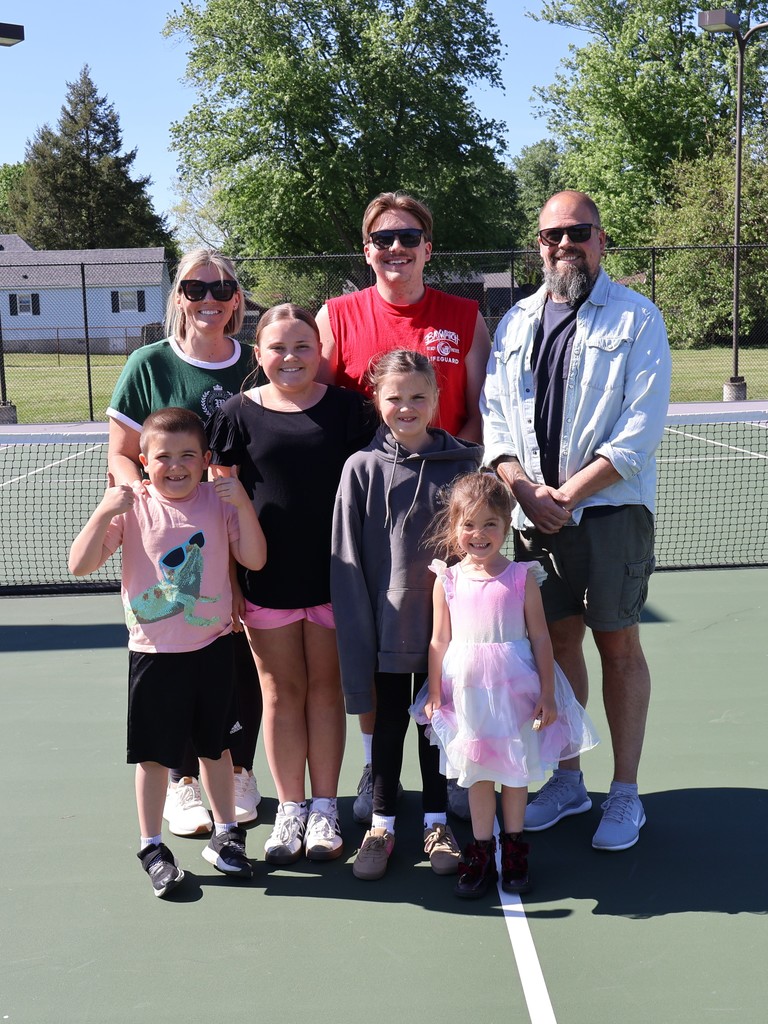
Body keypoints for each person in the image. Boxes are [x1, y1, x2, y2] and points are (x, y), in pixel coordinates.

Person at [481, 190, 672, 852]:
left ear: (601, 239)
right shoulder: (515, 322)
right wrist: (523, 490)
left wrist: (562, 495)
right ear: (539, 244)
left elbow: (639, 431)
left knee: (618, 647)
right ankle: (568, 780)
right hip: (533, 519)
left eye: (578, 232)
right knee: (556, 647)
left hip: (611, 514)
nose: (564, 244)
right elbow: (496, 420)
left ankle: (625, 792)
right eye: (551, 235)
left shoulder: (639, 318)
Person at [317, 190, 491, 823]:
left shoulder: (465, 316)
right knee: (380, 644)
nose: (396, 248)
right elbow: (318, 406)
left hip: (448, 508)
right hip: (375, 512)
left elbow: (480, 411)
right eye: (383, 238)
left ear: (427, 248)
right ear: (367, 250)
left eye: (408, 237)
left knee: (451, 642)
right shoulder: (337, 315)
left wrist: (453, 481)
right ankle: (376, 764)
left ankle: (457, 766)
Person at [68, 408, 267, 897]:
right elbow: (79, 565)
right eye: (163, 457)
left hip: (214, 648)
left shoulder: (219, 503)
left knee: (216, 749)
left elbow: (255, 558)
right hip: (153, 655)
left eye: (187, 456)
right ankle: (152, 848)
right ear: (144, 461)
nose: (175, 466)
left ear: (204, 459)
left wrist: (243, 503)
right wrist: (104, 511)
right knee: (155, 758)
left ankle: (226, 836)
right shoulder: (133, 506)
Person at [207, 304, 375, 866]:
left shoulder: (350, 410)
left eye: (302, 345)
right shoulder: (235, 414)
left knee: (326, 690)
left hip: (336, 578)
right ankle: (290, 808)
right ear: (258, 354)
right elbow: (222, 509)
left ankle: (325, 809)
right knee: (279, 693)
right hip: (266, 582)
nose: (290, 357)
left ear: (320, 351)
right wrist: (231, 583)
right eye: (277, 347)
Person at [107, 248, 263, 836]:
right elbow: (121, 456)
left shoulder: (256, 364)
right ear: (179, 297)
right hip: (173, 550)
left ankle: (239, 770)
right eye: (195, 288)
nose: (209, 300)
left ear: (236, 299)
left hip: (243, 533)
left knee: (241, 660)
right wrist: (152, 513)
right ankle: (181, 781)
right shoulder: (148, 364)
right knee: (177, 658)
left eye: (221, 288)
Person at [332, 350, 483, 881]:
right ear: (376, 400)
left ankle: (437, 823)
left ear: (437, 399)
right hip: (388, 629)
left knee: (436, 725)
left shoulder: (465, 465)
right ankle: (381, 825)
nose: (407, 407)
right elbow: (347, 559)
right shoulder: (359, 468)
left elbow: (481, 547)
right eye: (395, 397)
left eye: (419, 396)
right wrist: (360, 631)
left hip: (449, 633)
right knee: (391, 722)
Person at [414, 473, 598, 898]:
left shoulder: (521, 577)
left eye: (490, 524)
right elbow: (439, 640)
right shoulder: (448, 580)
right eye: (468, 524)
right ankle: (480, 851)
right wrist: (436, 692)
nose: (479, 534)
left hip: (516, 691)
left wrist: (548, 693)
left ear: (507, 524)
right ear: (454, 526)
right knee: (477, 772)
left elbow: (541, 638)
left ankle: (514, 851)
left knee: (516, 774)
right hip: (467, 693)